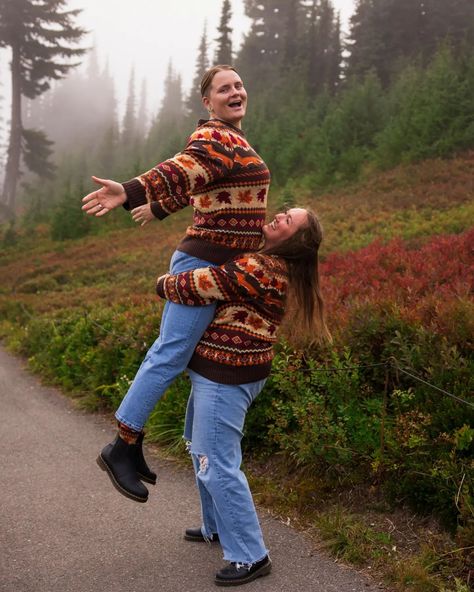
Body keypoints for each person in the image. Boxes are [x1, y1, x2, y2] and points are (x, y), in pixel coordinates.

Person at [82, 65, 271, 503]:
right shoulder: (215, 136)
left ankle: (131, 447)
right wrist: (131, 190)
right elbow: (185, 167)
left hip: (216, 267)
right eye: (224, 88)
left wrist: (158, 207)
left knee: (179, 356)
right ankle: (121, 447)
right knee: (169, 354)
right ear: (208, 102)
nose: (235, 92)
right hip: (202, 264)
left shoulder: (233, 141)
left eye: (239, 84)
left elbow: (202, 181)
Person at [155, 207, 330, 586]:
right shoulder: (264, 261)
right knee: (199, 448)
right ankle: (216, 526)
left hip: (227, 377)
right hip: (221, 372)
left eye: (288, 219)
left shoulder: (262, 268)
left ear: (295, 240)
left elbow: (200, 283)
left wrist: (163, 282)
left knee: (216, 461)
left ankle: (250, 555)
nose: (279, 215)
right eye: (284, 210)